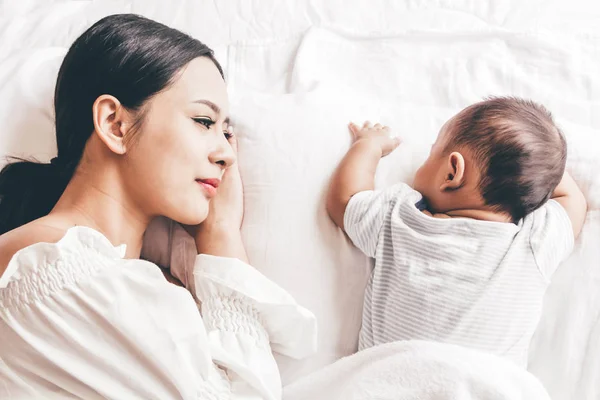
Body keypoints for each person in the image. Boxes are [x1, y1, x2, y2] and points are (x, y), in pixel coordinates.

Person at [0, 14, 316, 399]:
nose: (226, 155)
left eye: (227, 132)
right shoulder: (56, 267)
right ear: (115, 124)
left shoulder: (113, 278)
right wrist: (221, 238)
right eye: (204, 121)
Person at [326, 97, 587, 367]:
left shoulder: (401, 220)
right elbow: (572, 198)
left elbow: (345, 200)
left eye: (432, 152)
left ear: (451, 173)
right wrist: (537, 170)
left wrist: (368, 145)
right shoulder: (535, 240)